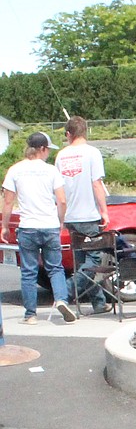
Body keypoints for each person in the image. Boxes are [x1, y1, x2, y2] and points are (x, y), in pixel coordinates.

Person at [1, 132, 78, 325]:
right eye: (47, 150)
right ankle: (61, 299)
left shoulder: (15, 170)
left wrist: (5, 226)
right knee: (55, 268)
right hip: (49, 225)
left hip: (28, 227)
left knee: (29, 271)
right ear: (42, 149)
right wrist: (61, 221)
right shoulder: (51, 171)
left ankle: (30, 314)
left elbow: (8, 201)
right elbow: (61, 200)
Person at [55, 116, 111, 315]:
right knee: (94, 261)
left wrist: (61, 216)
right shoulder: (92, 153)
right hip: (88, 215)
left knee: (82, 262)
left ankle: (98, 302)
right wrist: (104, 210)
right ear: (85, 132)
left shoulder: (61, 156)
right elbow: (96, 184)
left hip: (70, 216)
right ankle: (64, 293)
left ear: (69, 134)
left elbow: (58, 188)